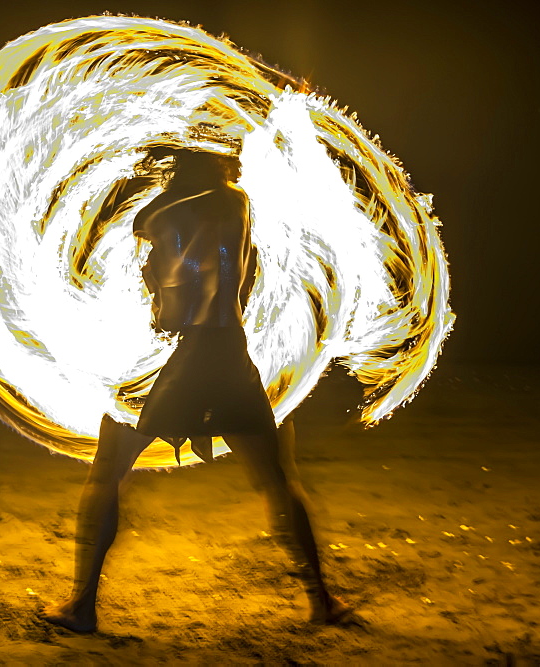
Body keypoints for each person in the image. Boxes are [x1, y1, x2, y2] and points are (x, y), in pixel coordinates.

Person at [41, 149, 348, 633]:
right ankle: (322, 600)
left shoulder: (177, 212)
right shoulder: (237, 206)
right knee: (276, 474)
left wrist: (158, 278)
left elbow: (166, 269)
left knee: (109, 465)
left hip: (196, 356)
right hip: (232, 356)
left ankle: (81, 607)